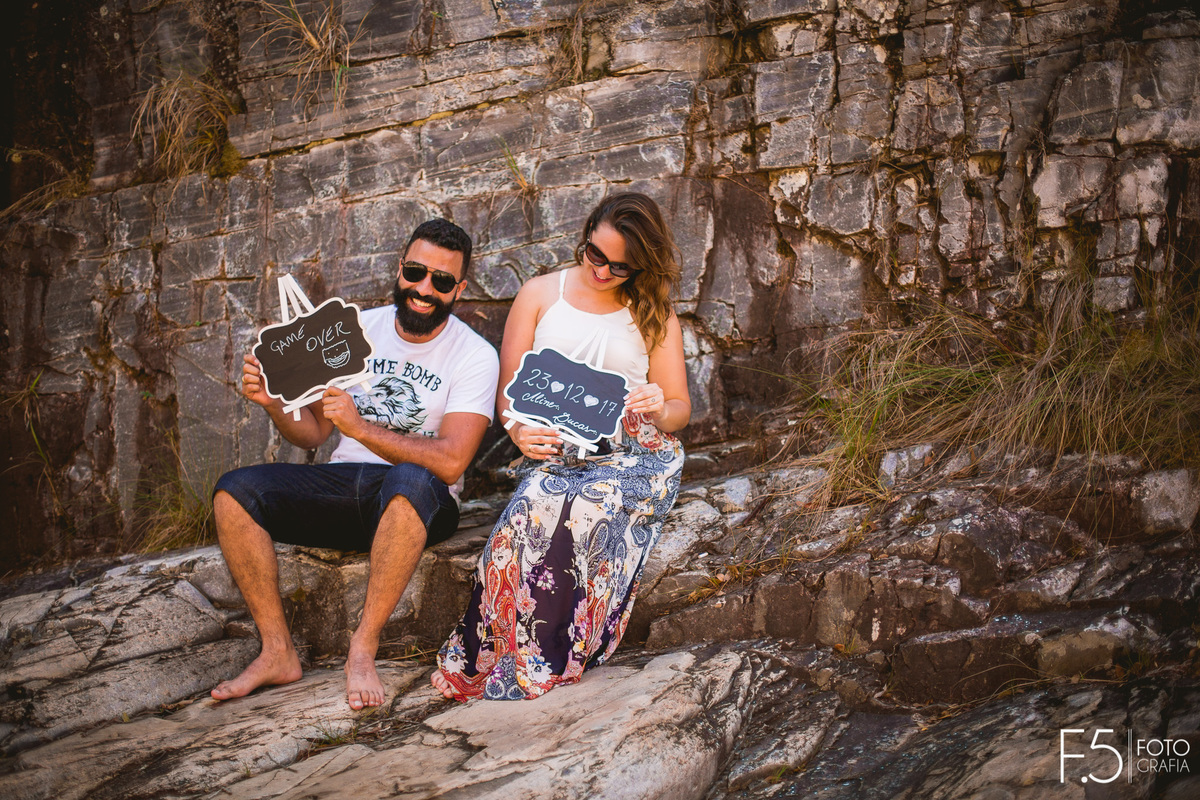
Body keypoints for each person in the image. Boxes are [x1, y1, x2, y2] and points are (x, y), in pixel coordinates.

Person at [210, 218, 499, 710]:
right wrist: (273, 402)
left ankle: (362, 650)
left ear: (460, 288)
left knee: (411, 479)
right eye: (415, 272)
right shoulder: (357, 329)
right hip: (348, 484)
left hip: (423, 497)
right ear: (400, 268)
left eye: (442, 281)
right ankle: (278, 652)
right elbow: (315, 433)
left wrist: (364, 428)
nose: (424, 289)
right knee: (234, 491)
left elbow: (451, 461)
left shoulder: (474, 355)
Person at [432, 193, 690, 700]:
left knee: (588, 511)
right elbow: (510, 393)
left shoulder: (653, 312)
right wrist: (518, 432)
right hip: (557, 450)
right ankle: (482, 657)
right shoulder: (539, 294)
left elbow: (679, 408)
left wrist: (659, 403)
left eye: (621, 267)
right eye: (596, 255)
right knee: (530, 512)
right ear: (587, 231)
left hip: (633, 453)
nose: (603, 271)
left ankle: (551, 654)